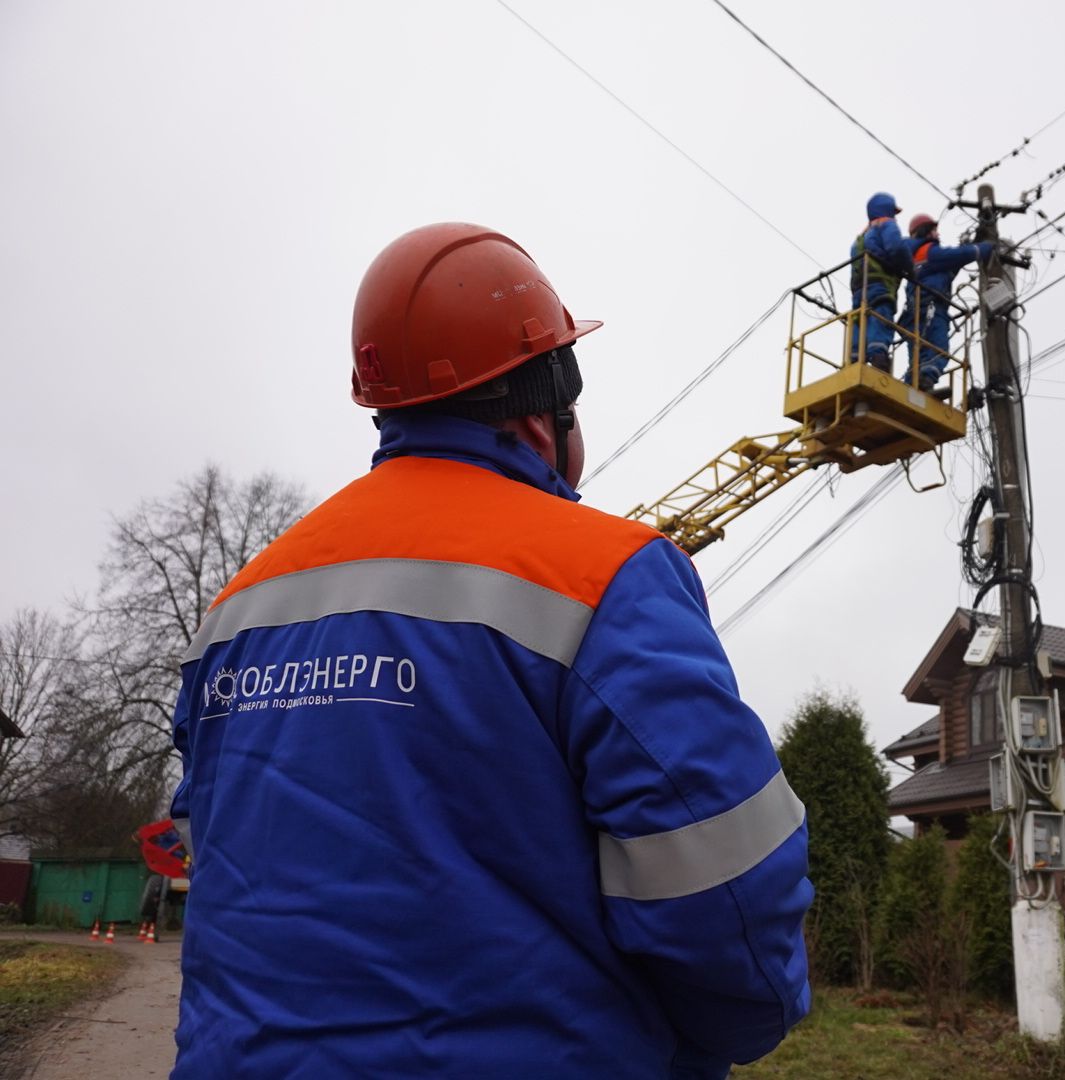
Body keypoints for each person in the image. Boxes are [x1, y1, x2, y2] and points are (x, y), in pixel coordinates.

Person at [168, 222, 813, 1079]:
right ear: (548, 411)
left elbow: (209, 853)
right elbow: (725, 885)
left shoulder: (236, 610)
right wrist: (718, 1037)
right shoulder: (606, 576)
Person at [897, 214, 994, 394]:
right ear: (925, 231)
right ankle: (925, 380)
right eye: (934, 230)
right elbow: (957, 256)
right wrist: (985, 248)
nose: (938, 234)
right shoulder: (930, 252)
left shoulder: (916, 257)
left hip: (914, 311)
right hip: (932, 307)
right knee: (938, 348)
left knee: (918, 353)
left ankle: (913, 386)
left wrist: (970, 246)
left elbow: (950, 266)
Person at [847, 191, 913, 372]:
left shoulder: (860, 238)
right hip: (880, 284)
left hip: (859, 289)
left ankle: (853, 358)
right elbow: (897, 248)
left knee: (859, 318)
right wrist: (909, 269)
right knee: (880, 313)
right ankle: (878, 356)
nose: (895, 217)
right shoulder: (887, 225)